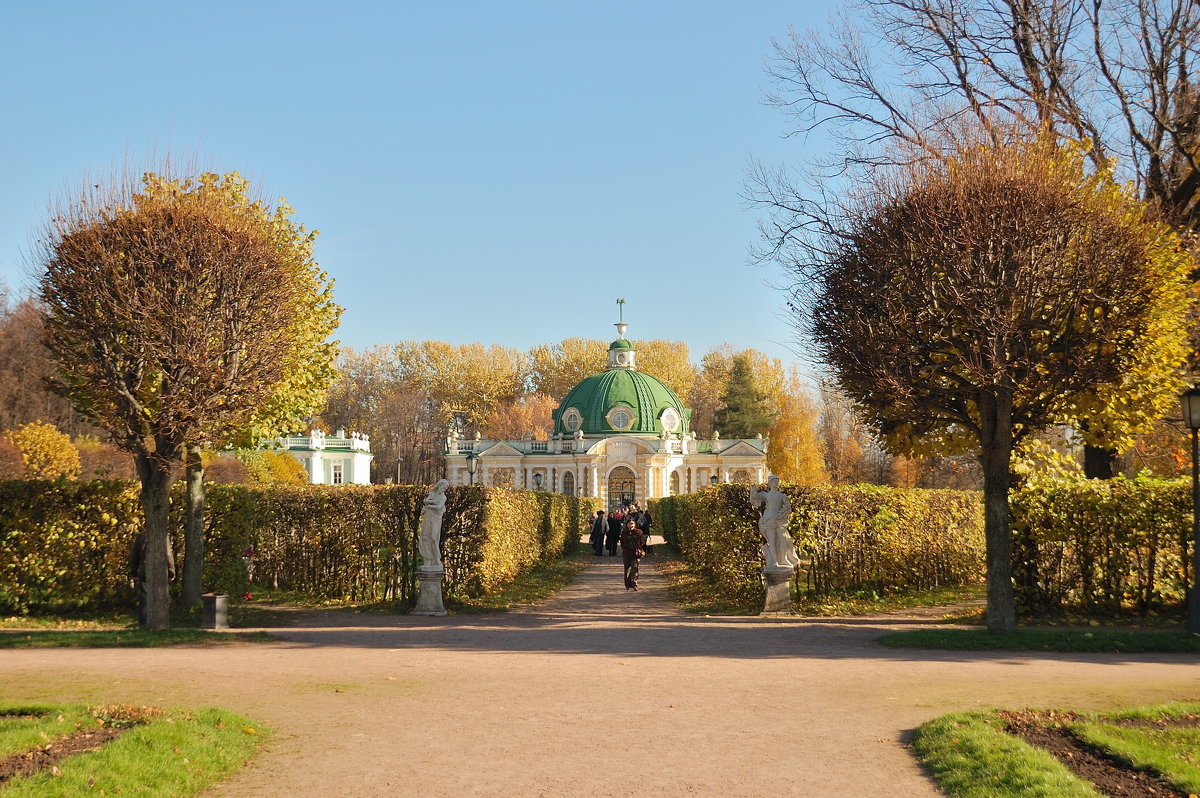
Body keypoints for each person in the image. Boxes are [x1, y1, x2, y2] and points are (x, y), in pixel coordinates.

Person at [750, 475, 801, 569]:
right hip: (768, 519)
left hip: (779, 520)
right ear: (770, 483)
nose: (776, 483)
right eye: (774, 482)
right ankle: (774, 562)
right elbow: (755, 496)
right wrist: (753, 487)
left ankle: (784, 559)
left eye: (777, 482)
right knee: (772, 541)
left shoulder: (782, 496)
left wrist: (781, 514)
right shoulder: (766, 495)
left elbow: (788, 508)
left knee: (783, 539)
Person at [128, 531, 175, 626]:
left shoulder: (140, 537)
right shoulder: (163, 536)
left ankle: (144, 622)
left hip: (144, 570)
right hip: (159, 570)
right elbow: (168, 555)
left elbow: (135, 556)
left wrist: (133, 572)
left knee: (144, 597)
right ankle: (160, 620)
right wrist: (171, 572)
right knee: (161, 595)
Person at [418, 479, 449, 568]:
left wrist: (429, 506)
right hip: (428, 516)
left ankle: (437, 558)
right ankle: (428, 560)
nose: (444, 489)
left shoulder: (443, 497)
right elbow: (425, 501)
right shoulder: (432, 493)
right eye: (444, 487)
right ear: (440, 485)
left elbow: (439, 507)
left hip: (436, 518)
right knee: (426, 536)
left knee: (434, 537)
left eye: (446, 488)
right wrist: (432, 503)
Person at [619, 517, 646, 590]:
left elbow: (642, 542)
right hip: (627, 553)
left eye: (632, 523)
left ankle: (634, 584)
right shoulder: (624, 533)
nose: (631, 525)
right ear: (627, 525)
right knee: (627, 569)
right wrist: (625, 548)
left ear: (635, 524)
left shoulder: (639, 532)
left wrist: (639, 548)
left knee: (635, 568)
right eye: (629, 523)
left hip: (635, 553)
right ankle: (627, 584)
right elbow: (622, 542)